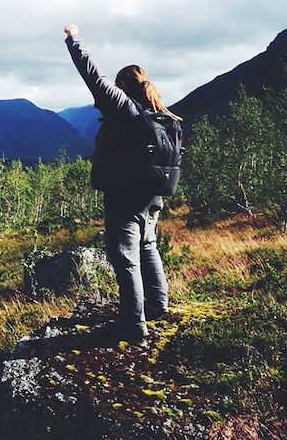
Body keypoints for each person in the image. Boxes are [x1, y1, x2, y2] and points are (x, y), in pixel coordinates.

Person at [63, 23, 182, 341]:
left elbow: (92, 75)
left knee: (124, 255)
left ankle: (134, 323)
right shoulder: (161, 114)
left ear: (122, 85)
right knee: (148, 245)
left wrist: (73, 39)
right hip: (154, 193)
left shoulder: (123, 106)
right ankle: (158, 306)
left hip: (126, 194)